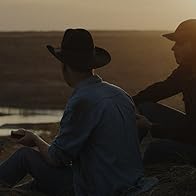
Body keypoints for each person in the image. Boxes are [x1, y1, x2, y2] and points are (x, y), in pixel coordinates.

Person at [0, 29, 157, 196]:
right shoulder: (120, 94)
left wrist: (35, 139)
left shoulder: (82, 101)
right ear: (92, 65)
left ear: (64, 66)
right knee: (33, 186)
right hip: (126, 181)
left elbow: (57, 158)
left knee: (24, 157)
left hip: (98, 188)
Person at [133, 19, 196, 165]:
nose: (173, 48)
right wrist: (124, 101)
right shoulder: (187, 70)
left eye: (180, 43)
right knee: (144, 106)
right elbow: (161, 89)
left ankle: (134, 181)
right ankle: (122, 165)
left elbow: (193, 134)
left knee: (156, 150)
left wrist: (152, 128)